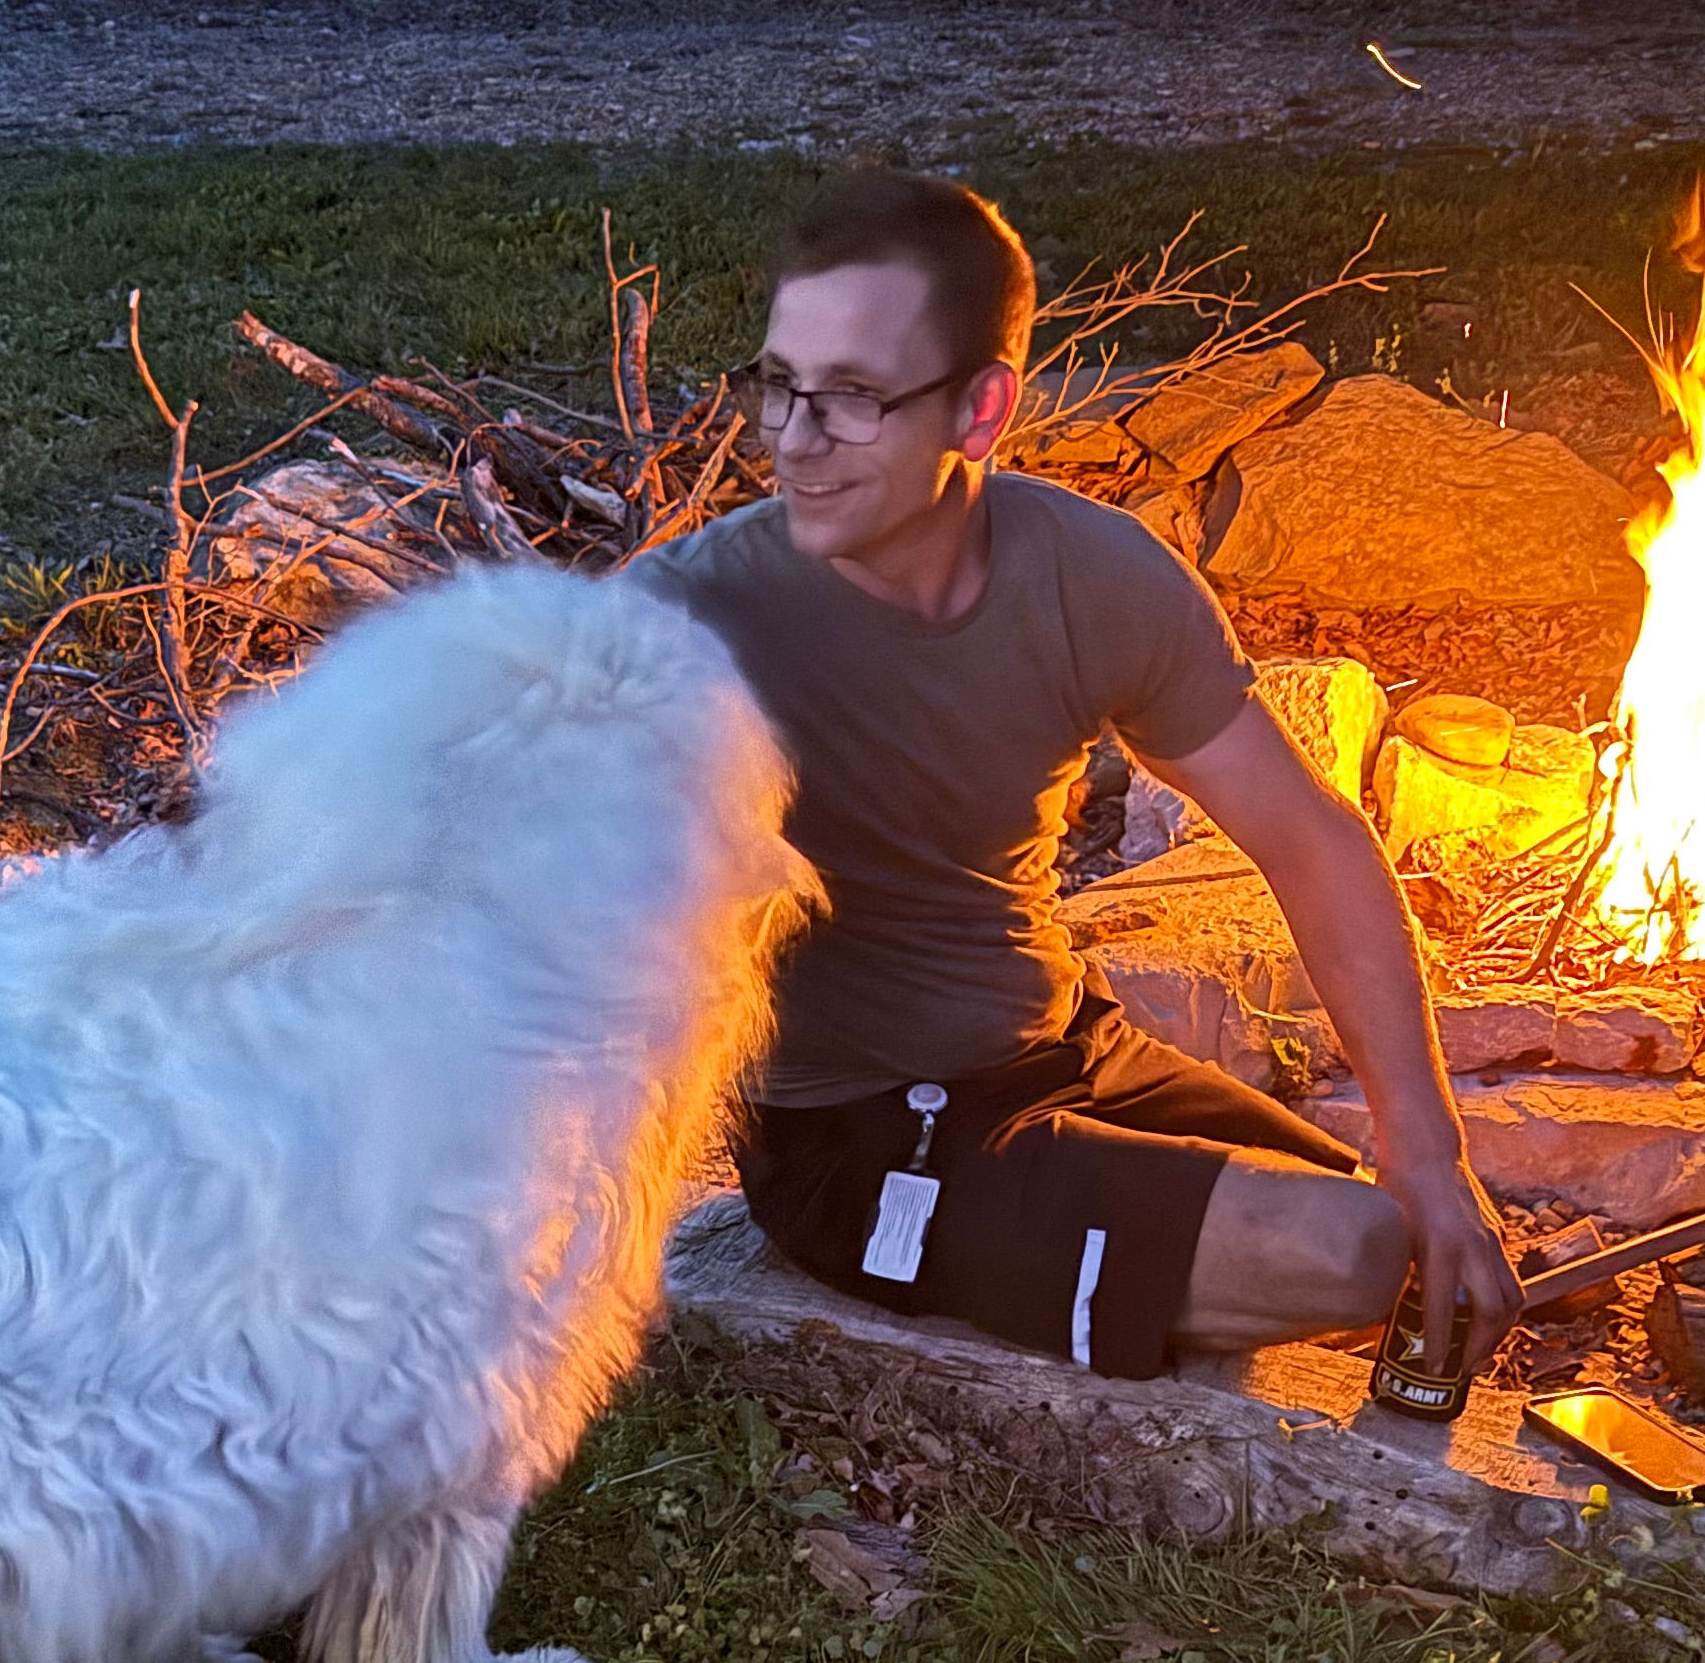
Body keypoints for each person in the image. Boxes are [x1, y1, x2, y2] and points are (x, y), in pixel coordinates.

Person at [629, 166, 1521, 1387]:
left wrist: (1429, 1146)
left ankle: (1105, 1251)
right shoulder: (683, 619)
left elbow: (1308, 841)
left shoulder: (1092, 577)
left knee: (1401, 1224)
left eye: (853, 398)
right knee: (1358, 1254)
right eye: (779, 385)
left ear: (981, 412)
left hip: (1059, 1050)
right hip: (856, 1135)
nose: (793, 439)